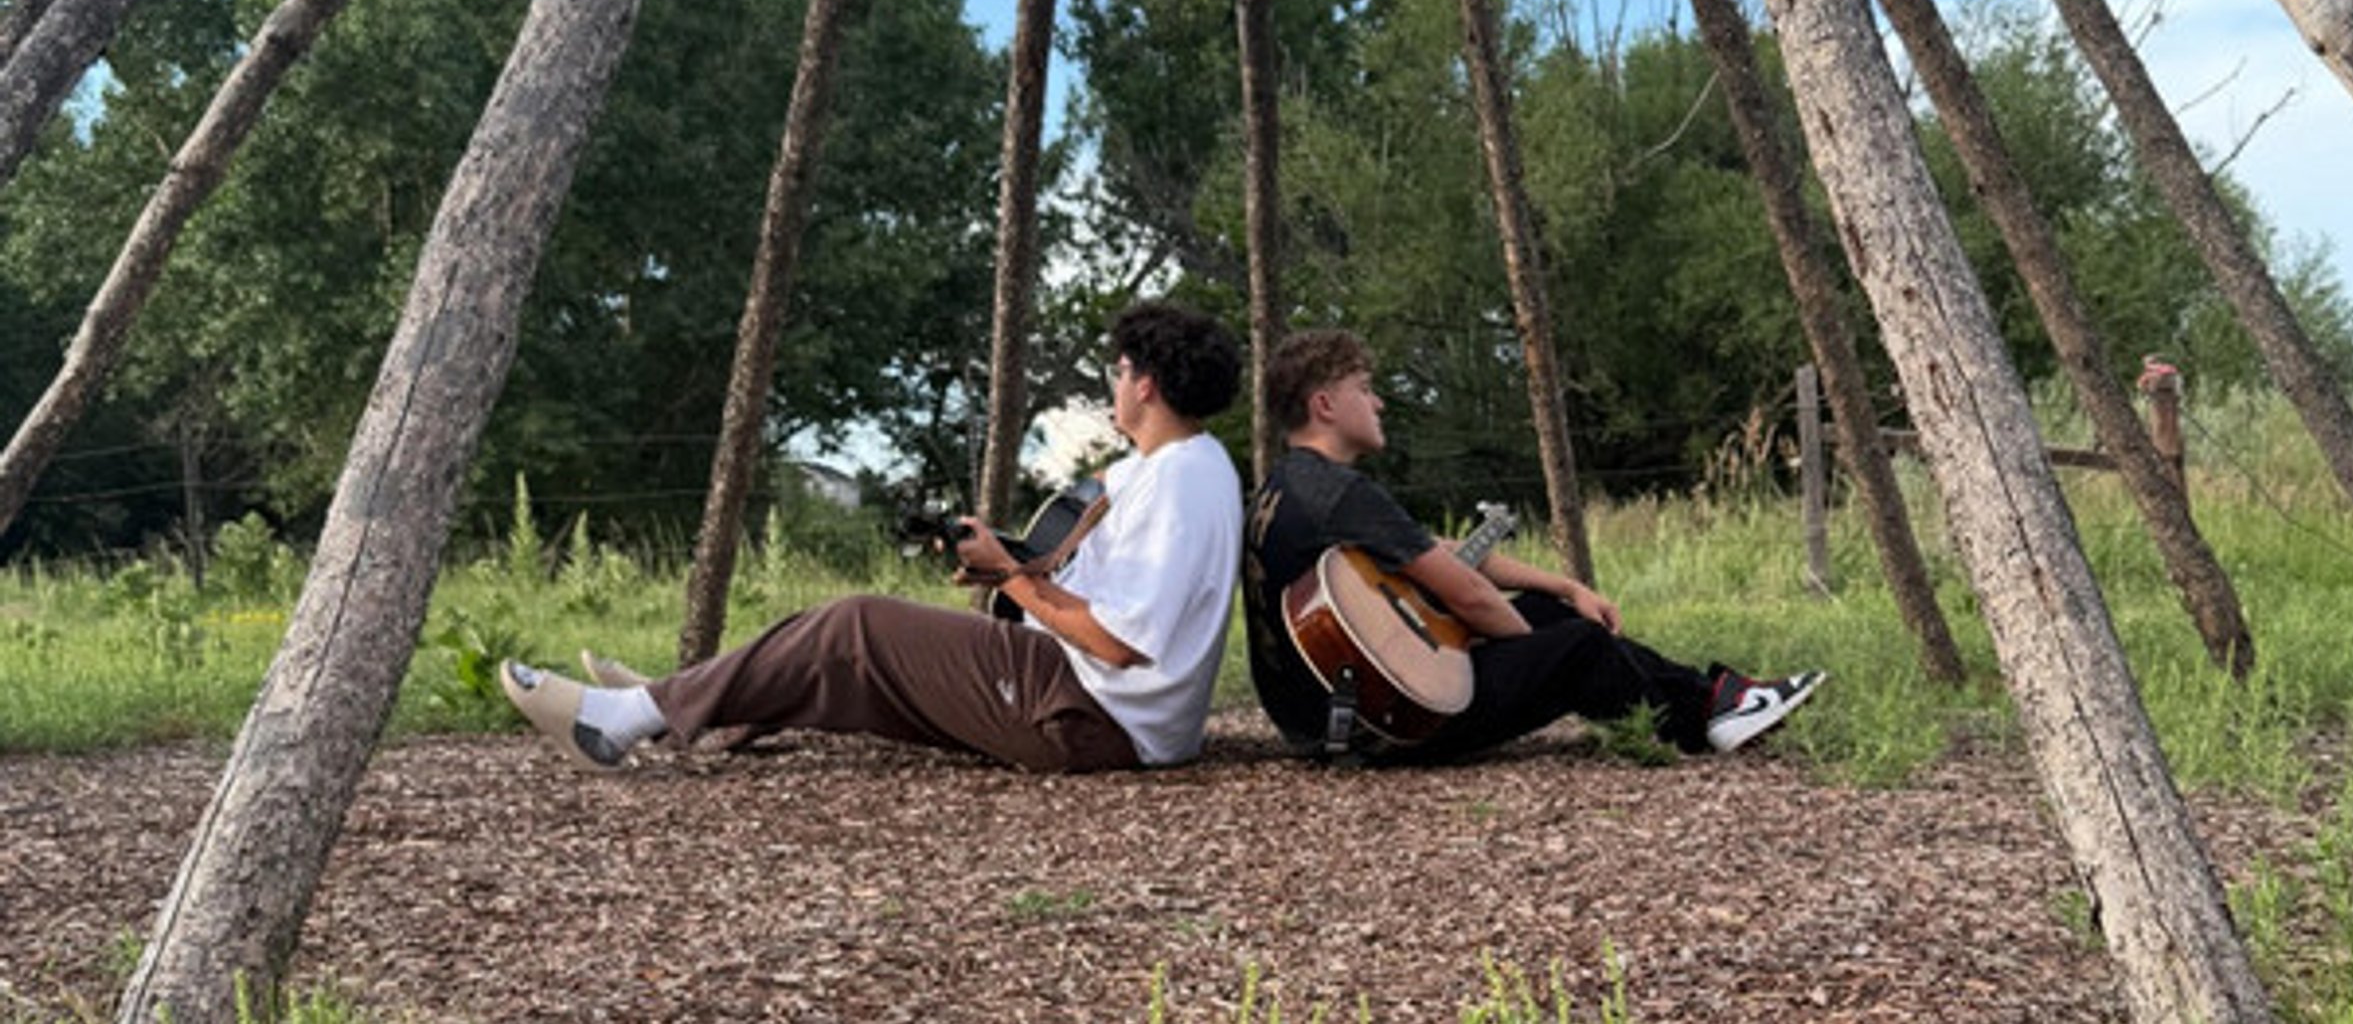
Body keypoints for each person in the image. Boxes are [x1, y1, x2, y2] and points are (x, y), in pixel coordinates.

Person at [500, 301, 1245, 774]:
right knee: (858, 652)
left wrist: (1012, 578)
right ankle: (676, 705)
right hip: (1091, 700)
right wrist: (1004, 561)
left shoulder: (1182, 480)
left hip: (1097, 717)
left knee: (856, 626)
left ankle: (621, 722)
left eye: (1119, 370)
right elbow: (1098, 587)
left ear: (1146, 384)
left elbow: (1119, 642)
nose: (1112, 383)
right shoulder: (1166, 467)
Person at [1242, 328, 1823, 763]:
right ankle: (1702, 720)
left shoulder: (1286, 486)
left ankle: (1718, 696)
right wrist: (1540, 652)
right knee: (1579, 646)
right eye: (1365, 390)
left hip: (1322, 718)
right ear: (1324, 405)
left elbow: (1436, 550)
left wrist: (1565, 586)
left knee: (1555, 611)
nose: (1379, 403)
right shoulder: (1341, 493)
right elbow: (1469, 595)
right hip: (1391, 721)